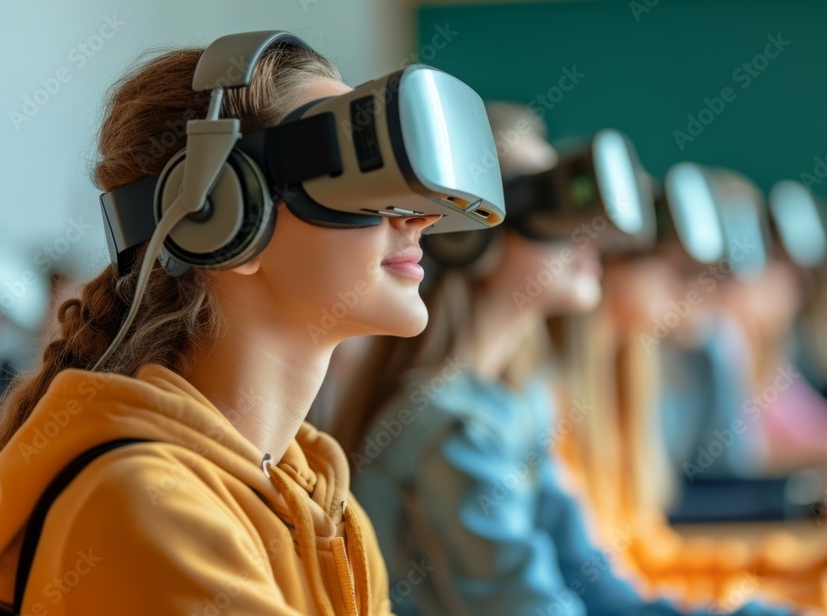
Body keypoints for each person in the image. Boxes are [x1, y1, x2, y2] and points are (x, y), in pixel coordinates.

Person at [0, 36, 464, 615]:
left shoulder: (325, 505)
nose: (421, 216)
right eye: (357, 180)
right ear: (221, 215)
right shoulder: (144, 502)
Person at [333, 103, 798, 616]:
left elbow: (599, 588)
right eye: (550, 200)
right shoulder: (450, 429)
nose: (591, 233)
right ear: (468, 231)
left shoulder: (519, 406)